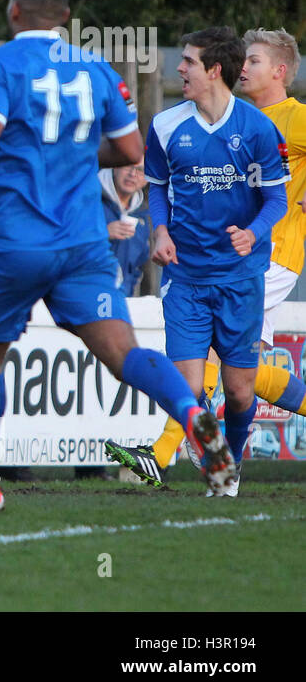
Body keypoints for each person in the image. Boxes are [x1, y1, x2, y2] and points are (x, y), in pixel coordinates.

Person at [0, 0, 234, 511]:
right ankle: (193, 414)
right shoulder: (97, 69)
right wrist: (72, 151)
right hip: (81, 244)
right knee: (125, 352)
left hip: (13, 240)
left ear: (13, 11)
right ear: (66, 17)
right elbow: (131, 150)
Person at [108, 28, 306, 489]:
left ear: (279, 71)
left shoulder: (290, 118)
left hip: (269, 257)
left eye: (254, 61)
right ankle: (204, 463)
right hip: (202, 266)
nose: (245, 68)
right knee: (241, 378)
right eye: (244, 59)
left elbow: (275, 196)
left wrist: (257, 229)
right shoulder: (187, 122)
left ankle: (164, 454)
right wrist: (162, 229)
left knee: (220, 366)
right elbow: (160, 184)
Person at [99, 161, 149, 295]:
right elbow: (63, 243)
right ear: (115, 166)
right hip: (86, 296)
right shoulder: (87, 197)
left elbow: (138, 267)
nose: (133, 174)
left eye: (140, 170)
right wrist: (102, 233)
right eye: (127, 166)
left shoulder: (143, 215)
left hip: (121, 299)